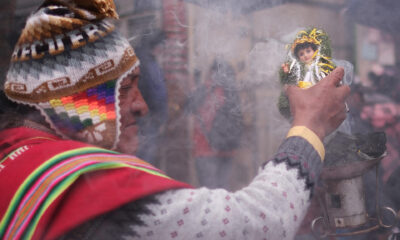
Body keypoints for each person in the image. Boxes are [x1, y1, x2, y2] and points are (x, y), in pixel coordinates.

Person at [0, 1, 350, 239]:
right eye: (124, 89)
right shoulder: (90, 186)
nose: (142, 107)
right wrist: (310, 124)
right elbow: (257, 226)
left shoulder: (15, 156)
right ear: (72, 102)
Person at [188, 59, 244, 189]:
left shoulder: (206, 89)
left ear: (212, 72)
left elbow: (189, 108)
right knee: (223, 190)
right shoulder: (232, 92)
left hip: (205, 149)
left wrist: (194, 84)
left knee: (209, 193)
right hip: (228, 149)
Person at [279, 28, 336, 118]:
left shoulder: (319, 66)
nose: (305, 55)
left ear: (315, 51)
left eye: (308, 51)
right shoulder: (299, 69)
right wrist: (287, 72)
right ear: (298, 57)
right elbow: (291, 79)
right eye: (301, 54)